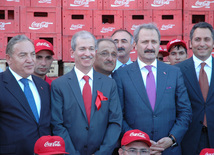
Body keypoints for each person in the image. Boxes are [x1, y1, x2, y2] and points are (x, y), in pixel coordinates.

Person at [113, 23, 192, 155]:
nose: (150, 47)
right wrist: (139, 141)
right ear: (135, 45)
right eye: (145, 42)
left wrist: (172, 139)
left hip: (168, 149)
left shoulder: (174, 73)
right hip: (136, 150)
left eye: (154, 42)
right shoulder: (121, 75)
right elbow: (118, 115)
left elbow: (185, 111)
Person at [51, 30, 122, 155]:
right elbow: (57, 124)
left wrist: (103, 152)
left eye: (91, 49)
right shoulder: (59, 85)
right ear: (72, 53)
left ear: (95, 52)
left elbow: (115, 122)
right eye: (82, 49)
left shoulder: (109, 84)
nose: (87, 53)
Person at [0, 35, 51, 155]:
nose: (30, 60)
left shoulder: (43, 86)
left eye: (32, 54)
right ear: (9, 58)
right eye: (23, 55)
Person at [176, 22, 214, 154]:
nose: (202, 44)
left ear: (213, 43)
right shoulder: (177, 71)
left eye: (207, 39)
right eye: (197, 39)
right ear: (190, 43)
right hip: (188, 139)